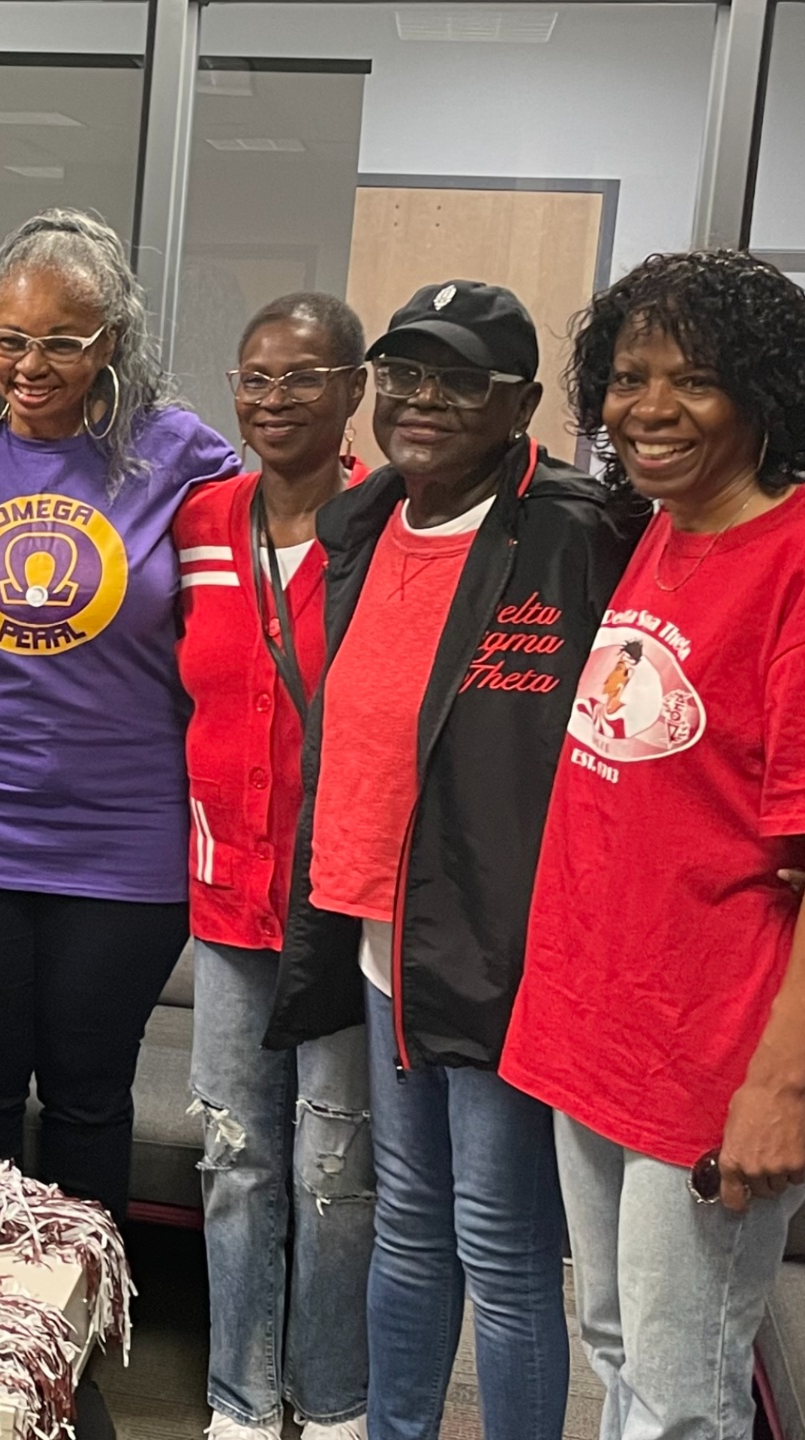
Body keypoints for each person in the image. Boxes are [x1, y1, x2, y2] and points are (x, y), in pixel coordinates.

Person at [267, 281, 638, 1440]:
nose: (423, 400)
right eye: (407, 374)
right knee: (408, 1223)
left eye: (460, 379)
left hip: (497, 944)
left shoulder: (572, 534)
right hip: (384, 938)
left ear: (521, 404)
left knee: (503, 1244)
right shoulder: (369, 522)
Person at [0, 208, 238, 1217]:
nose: (29, 366)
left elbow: (242, 617)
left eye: (62, 344)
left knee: (88, 1097)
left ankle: (76, 1345)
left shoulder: (183, 458)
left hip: (125, 829)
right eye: (8, 339)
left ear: (110, 342)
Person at [503, 250, 805, 1440]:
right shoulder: (669, 532)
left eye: (697, 380)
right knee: (621, 1344)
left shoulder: (790, 565)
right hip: (598, 1026)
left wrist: (780, 1088)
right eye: (630, 377)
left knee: (684, 1394)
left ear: (768, 395)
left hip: (707, 1058)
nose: (651, 409)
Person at [178, 294, 373, 1440]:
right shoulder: (204, 520)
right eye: (255, 378)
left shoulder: (389, 524)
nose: (274, 400)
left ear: (353, 388)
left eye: (303, 377)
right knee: (236, 1159)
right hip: (226, 888)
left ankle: (335, 1404)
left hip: (342, 902)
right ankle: (241, 1405)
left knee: (334, 1173)